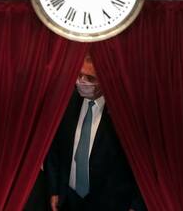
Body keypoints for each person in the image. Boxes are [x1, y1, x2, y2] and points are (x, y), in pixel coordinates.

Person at [46, 55, 146, 211]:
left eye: (90, 78)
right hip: (69, 199)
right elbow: (53, 148)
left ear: (106, 78)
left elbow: (143, 164)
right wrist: (54, 190)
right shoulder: (65, 100)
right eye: (79, 75)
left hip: (111, 203)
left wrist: (137, 205)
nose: (81, 82)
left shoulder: (126, 111)